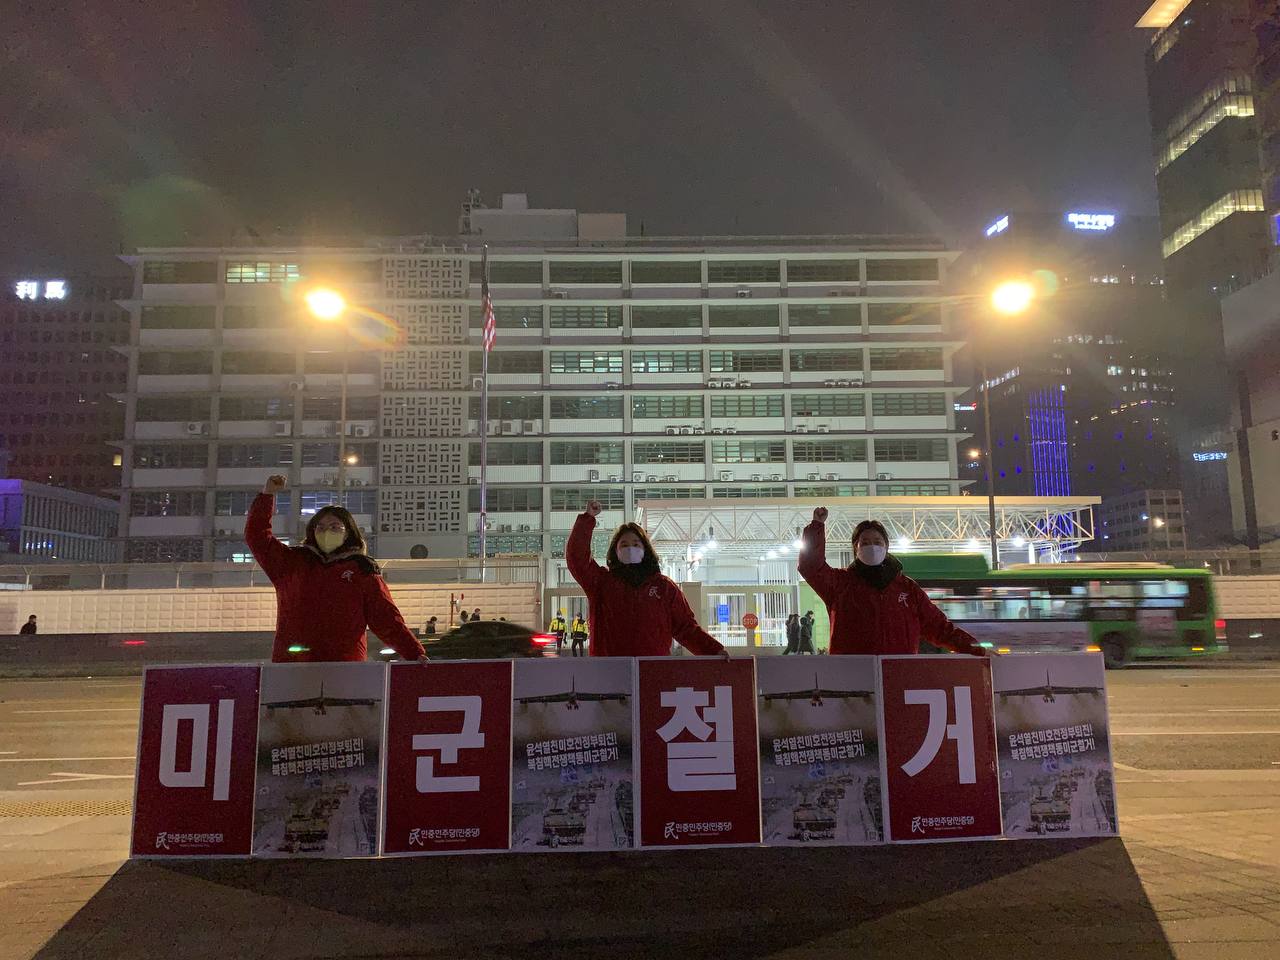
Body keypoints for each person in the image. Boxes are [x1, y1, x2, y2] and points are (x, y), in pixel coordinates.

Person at [245, 475, 425, 663]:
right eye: (320, 527)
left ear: (348, 533)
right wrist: (267, 495)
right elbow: (257, 537)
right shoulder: (292, 562)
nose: (326, 532)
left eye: (334, 527)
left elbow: (386, 619)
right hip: (292, 667)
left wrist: (414, 653)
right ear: (312, 531)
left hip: (345, 668)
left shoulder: (362, 569)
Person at [798, 509, 986, 657]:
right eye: (865, 543)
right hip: (850, 678)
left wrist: (977, 649)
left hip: (898, 676)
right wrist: (816, 527)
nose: (872, 546)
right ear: (855, 548)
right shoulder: (839, 583)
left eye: (877, 542)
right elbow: (810, 567)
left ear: (886, 547)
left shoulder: (908, 588)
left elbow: (939, 627)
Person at [567, 500, 728, 658]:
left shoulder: (664, 587)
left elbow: (686, 628)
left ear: (646, 550)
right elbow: (577, 559)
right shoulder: (601, 583)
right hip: (609, 670)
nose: (630, 548)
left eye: (636, 544)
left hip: (652, 670)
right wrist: (587, 519)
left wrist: (713, 650)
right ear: (615, 551)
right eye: (624, 545)